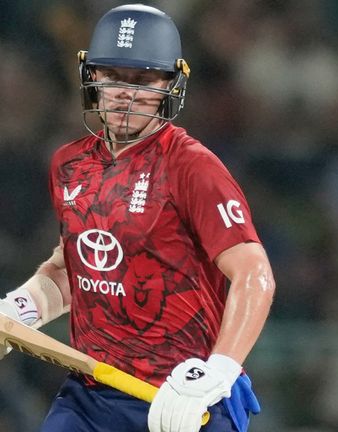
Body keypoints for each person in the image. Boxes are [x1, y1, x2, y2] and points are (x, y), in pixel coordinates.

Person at [0, 4, 273, 432]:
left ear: (171, 84)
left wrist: (217, 371)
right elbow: (75, 269)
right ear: (92, 77)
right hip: (89, 395)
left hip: (181, 399)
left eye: (143, 80)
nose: (125, 92)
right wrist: (17, 309)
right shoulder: (68, 164)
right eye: (113, 77)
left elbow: (255, 274)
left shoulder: (192, 166)